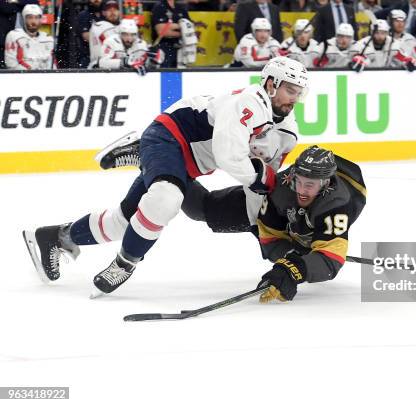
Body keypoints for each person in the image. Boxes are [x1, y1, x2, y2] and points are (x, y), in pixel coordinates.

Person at [22, 57, 309, 298]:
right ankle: (126, 262)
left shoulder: (286, 131)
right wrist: (259, 181)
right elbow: (230, 157)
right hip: (169, 136)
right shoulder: (249, 102)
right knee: (165, 200)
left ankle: (55, 236)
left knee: (124, 222)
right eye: (290, 90)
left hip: (187, 163)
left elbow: (263, 181)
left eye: (299, 92)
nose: (294, 99)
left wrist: (257, 222)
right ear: (271, 84)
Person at [255, 145, 367, 303]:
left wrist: (295, 269)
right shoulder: (283, 186)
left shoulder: (336, 204)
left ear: (325, 184)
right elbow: (269, 239)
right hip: (293, 217)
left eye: (309, 185)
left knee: (318, 235)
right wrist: (291, 256)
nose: (301, 190)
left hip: (333, 209)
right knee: (226, 210)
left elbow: (331, 258)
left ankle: (310, 240)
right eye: (298, 182)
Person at [98, 18, 164, 74]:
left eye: (132, 35)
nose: (129, 39)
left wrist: (152, 62)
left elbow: (146, 65)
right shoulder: (111, 41)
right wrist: (124, 62)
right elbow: (102, 63)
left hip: (132, 79)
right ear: (120, 34)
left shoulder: (141, 44)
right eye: (125, 34)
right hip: (111, 77)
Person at [4, 4, 54, 69]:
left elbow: (52, 65)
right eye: (30, 17)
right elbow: (11, 64)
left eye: (36, 18)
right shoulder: (14, 36)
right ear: (24, 19)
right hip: (22, 76)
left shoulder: (48, 39)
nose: (33, 21)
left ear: (40, 19)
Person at [151, 0, 191, 68]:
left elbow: (190, 28)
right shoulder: (159, 7)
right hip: (163, 48)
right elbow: (161, 31)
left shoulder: (181, 8)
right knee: (165, 73)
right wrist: (182, 26)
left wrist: (172, 27)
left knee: (181, 74)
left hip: (181, 49)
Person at [0, 0, 37, 68]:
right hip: (4, 37)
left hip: (25, 39)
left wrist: (17, 1)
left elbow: (35, 2)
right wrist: (21, 7)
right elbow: (5, 8)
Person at [88, 0, 121, 68]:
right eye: (109, 10)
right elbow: (116, 49)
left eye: (115, 9)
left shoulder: (123, 27)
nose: (112, 12)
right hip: (99, 67)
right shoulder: (98, 26)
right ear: (103, 13)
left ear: (119, 12)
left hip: (119, 67)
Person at [75, 0, 103, 68]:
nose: (96, 0)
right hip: (88, 57)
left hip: (106, 56)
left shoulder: (105, 15)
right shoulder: (83, 15)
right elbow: (87, 37)